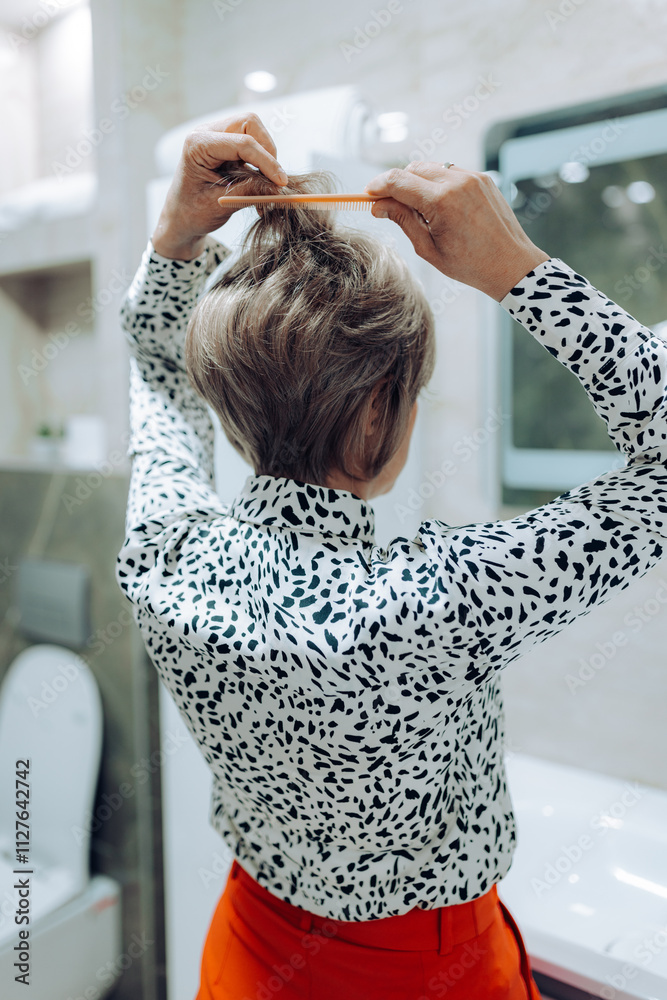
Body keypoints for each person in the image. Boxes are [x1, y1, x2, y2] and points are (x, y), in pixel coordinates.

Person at [116, 112, 667, 1000]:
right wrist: (517, 272)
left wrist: (173, 240)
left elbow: (155, 371)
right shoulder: (441, 596)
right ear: (379, 408)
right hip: (427, 975)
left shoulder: (166, 555)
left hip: (247, 951)